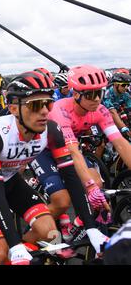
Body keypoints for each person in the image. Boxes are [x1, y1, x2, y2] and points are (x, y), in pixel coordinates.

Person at [0, 70, 109, 265]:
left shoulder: (51, 130)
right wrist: (14, 245)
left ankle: (19, 256)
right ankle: (12, 253)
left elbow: (72, 179)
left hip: (12, 181)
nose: (44, 111)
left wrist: (91, 228)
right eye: (35, 105)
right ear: (14, 108)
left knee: (50, 232)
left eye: (48, 103)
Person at [48, 65, 131, 215]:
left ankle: (80, 225)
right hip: (45, 151)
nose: (97, 99)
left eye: (100, 93)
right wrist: (89, 186)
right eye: (91, 94)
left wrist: (92, 186)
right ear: (75, 95)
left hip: (68, 148)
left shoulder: (100, 110)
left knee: (97, 183)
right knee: (62, 202)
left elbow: (120, 143)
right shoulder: (61, 110)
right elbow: (72, 151)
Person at [102, 72, 131, 139]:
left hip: (116, 114)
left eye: (127, 85)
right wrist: (123, 127)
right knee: (101, 144)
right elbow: (112, 112)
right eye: (123, 85)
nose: (126, 87)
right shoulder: (107, 94)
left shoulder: (126, 95)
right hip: (102, 116)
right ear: (115, 85)